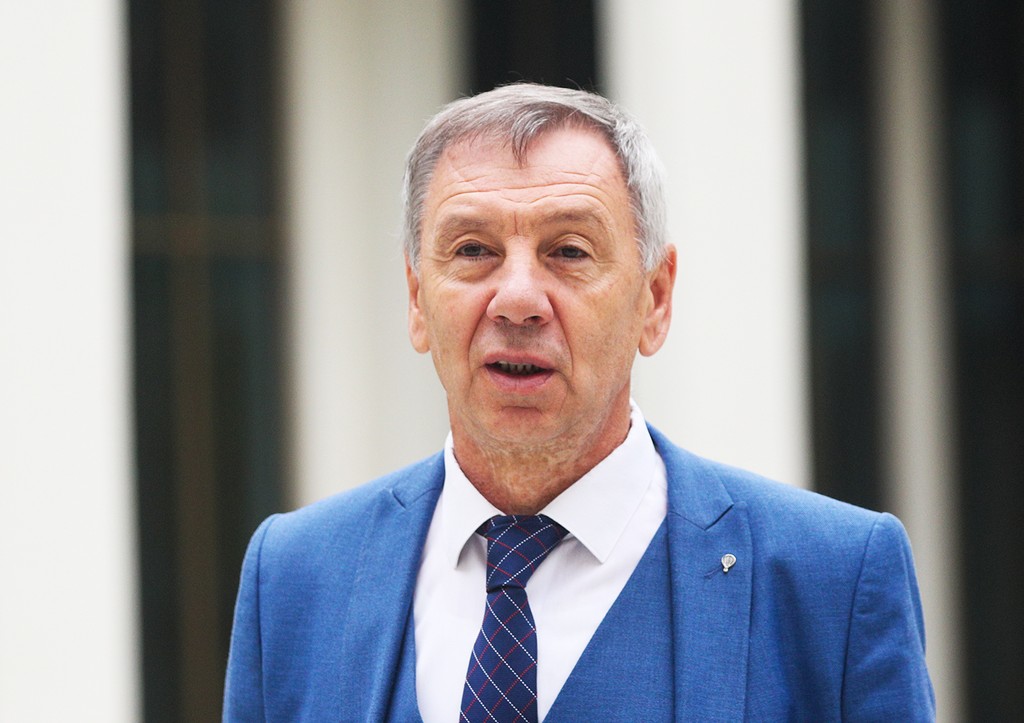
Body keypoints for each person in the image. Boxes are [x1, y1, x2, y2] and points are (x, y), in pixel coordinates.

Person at [224, 83, 934, 721]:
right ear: (416, 299)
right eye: (473, 250)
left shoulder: (832, 582)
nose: (518, 299)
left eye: (568, 250)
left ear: (655, 299)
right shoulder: (294, 580)